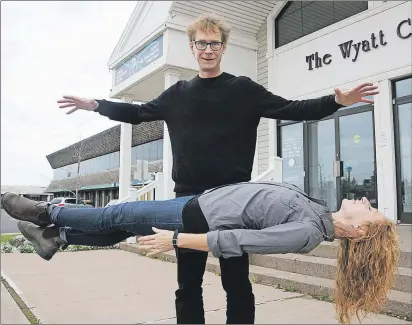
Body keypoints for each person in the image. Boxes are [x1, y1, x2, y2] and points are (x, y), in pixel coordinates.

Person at [56, 13, 379, 324]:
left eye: (213, 44)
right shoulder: (177, 94)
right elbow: (137, 113)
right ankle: (59, 234)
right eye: (201, 44)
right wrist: (97, 105)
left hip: (233, 204)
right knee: (187, 285)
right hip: (187, 201)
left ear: (224, 47)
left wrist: (337, 102)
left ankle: (57, 232)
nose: (207, 50)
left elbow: (291, 108)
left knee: (237, 284)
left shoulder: (243, 90)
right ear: (192, 48)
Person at [1, 181, 398, 324]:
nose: (364, 198)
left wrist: (176, 241)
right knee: (121, 226)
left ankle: (45, 212)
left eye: (370, 207)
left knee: (116, 214)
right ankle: (60, 238)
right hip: (201, 202)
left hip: (196, 217)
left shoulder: (307, 233)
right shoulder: (317, 209)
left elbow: (239, 242)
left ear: (361, 230)